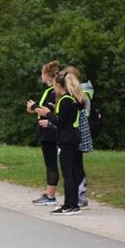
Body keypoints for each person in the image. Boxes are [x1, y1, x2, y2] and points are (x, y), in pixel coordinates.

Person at [32, 70, 85, 215]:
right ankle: (73, 204)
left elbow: (60, 121)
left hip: (67, 139)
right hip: (73, 137)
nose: (53, 89)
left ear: (59, 86)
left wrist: (47, 114)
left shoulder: (65, 100)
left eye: (55, 86)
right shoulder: (74, 99)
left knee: (68, 173)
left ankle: (69, 206)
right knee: (72, 172)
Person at [26, 60, 60, 206]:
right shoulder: (49, 91)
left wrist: (34, 107)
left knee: (51, 163)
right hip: (45, 130)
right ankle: (49, 193)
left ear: (46, 75)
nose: (41, 76)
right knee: (49, 163)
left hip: (50, 131)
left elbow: (49, 111)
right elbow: (41, 110)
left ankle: (50, 196)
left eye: (42, 73)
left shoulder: (54, 91)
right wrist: (34, 109)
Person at [63, 66, 94, 209]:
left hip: (77, 131)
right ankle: (77, 195)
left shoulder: (79, 95)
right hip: (78, 132)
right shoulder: (77, 94)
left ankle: (80, 195)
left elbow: (83, 113)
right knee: (75, 164)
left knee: (76, 164)